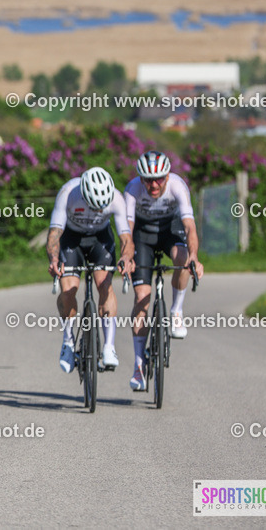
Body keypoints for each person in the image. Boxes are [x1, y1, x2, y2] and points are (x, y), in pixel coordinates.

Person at [124, 150, 204, 391]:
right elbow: (126, 228)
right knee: (141, 298)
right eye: (148, 179)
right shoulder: (132, 189)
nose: (154, 184)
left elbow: (190, 227)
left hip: (170, 230)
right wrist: (127, 255)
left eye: (159, 178)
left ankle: (176, 311)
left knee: (183, 261)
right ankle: (138, 365)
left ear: (168, 175)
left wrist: (194, 257)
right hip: (143, 235)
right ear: (141, 178)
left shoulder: (178, 186)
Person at [47, 167, 135, 375]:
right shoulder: (68, 193)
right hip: (72, 240)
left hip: (100, 240)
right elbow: (54, 234)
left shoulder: (117, 198)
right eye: (93, 205)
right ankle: (68, 341)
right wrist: (54, 259)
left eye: (101, 207)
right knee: (69, 289)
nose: (97, 210)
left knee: (105, 286)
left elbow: (126, 238)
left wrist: (126, 258)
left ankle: (109, 346)